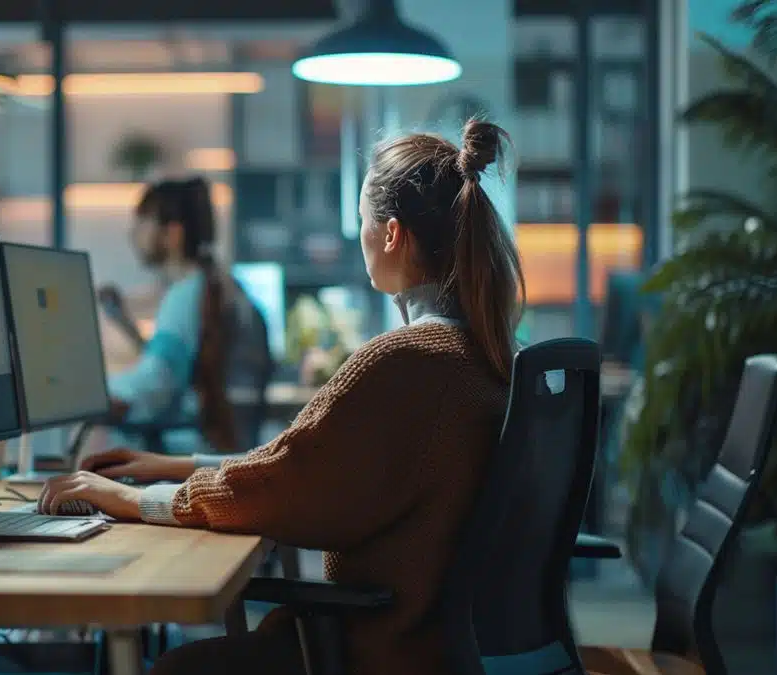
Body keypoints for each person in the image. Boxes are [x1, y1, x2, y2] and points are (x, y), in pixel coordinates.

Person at [41, 120, 526, 675]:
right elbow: (312, 468)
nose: (359, 236)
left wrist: (128, 499)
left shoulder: (409, 362)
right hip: (421, 641)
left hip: (370, 649)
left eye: (362, 223)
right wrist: (173, 466)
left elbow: (284, 486)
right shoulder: (476, 354)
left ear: (391, 235)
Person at [105, 177, 269, 456]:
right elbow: (178, 369)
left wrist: (94, 390)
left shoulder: (185, 296)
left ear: (173, 233)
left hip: (185, 458)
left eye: (143, 222)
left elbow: (154, 387)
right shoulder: (220, 287)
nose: (134, 233)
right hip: (221, 453)